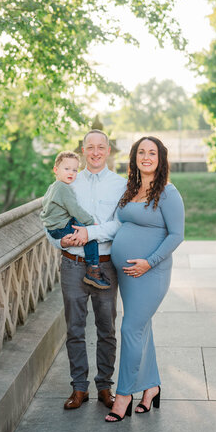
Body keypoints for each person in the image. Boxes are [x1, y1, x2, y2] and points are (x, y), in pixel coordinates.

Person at [105, 136, 184, 422]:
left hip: (152, 273)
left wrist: (149, 263)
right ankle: (151, 387)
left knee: (130, 329)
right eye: (142, 152)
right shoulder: (133, 188)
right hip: (128, 275)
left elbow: (177, 235)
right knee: (141, 329)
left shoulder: (168, 193)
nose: (146, 157)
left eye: (152, 153)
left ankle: (124, 394)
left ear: (160, 159)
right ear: (135, 157)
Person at [46, 130, 126, 410]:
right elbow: (48, 219)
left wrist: (89, 232)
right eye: (89, 147)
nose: (95, 152)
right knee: (75, 330)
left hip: (105, 266)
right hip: (72, 264)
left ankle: (105, 386)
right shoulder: (67, 180)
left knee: (106, 329)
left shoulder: (120, 185)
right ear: (82, 151)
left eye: (100, 147)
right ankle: (79, 388)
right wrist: (59, 239)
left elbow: (119, 224)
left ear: (108, 150)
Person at [41, 150, 111, 289]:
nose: (71, 173)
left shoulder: (53, 187)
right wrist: (91, 223)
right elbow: (75, 209)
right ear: (56, 170)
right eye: (66, 169)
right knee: (88, 233)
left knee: (82, 227)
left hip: (53, 227)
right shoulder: (63, 188)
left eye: (74, 170)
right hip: (61, 228)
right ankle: (93, 268)